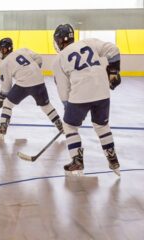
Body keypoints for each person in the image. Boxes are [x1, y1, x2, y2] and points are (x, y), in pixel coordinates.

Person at [50, 24, 122, 176]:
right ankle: (113, 159)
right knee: (101, 126)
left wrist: (67, 108)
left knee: (69, 126)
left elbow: (63, 90)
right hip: (103, 91)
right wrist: (114, 71)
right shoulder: (88, 43)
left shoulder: (59, 59)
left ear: (59, 40)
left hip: (80, 93)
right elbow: (113, 50)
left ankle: (77, 161)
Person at [0, 37, 63, 139]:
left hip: (24, 84)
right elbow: (39, 58)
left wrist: (1, 96)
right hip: (39, 79)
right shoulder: (23, 50)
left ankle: (3, 126)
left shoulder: (4, 63)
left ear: (3, 50)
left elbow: (6, 87)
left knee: (8, 103)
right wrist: (32, 71)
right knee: (46, 105)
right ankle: (60, 125)